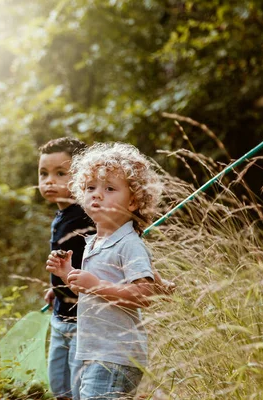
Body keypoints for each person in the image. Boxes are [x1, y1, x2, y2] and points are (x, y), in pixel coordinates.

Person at [46, 142, 167, 399]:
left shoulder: (129, 244)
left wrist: (94, 284)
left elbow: (143, 294)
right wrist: (67, 273)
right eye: (90, 188)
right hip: (95, 352)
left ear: (133, 201)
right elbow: (91, 288)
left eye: (109, 189)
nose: (96, 195)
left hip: (115, 356)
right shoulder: (95, 242)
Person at [38, 137, 96, 400]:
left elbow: (92, 263)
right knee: (58, 384)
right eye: (44, 173)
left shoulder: (88, 217)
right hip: (61, 314)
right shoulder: (61, 215)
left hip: (82, 319)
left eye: (60, 173)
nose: (50, 180)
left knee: (78, 385)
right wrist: (55, 287)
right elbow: (65, 260)